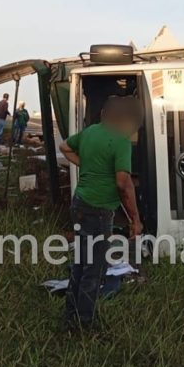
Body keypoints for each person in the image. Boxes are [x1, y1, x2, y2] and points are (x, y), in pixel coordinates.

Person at [58, 95, 143, 332]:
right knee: (95, 268)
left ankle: (70, 315)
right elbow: (123, 184)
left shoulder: (90, 132)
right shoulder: (120, 142)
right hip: (98, 210)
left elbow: (64, 147)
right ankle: (84, 324)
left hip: (80, 204)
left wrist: (87, 166)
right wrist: (135, 219)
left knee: (81, 263)